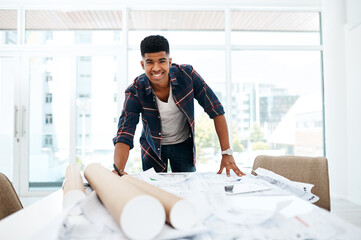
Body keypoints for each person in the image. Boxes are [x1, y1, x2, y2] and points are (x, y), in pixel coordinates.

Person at [113, 35, 245, 177]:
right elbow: (125, 133)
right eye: (150, 62)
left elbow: (216, 110)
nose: (156, 68)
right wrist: (118, 170)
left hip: (183, 146)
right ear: (142, 65)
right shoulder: (135, 90)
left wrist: (226, 153)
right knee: (153, 190)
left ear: (169, 62)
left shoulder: (187, 76)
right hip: (152, 148)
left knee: (188, 188)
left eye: (161, 61)